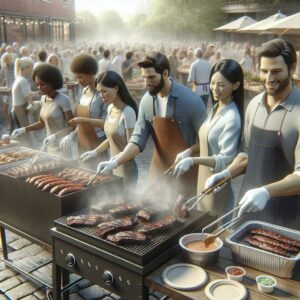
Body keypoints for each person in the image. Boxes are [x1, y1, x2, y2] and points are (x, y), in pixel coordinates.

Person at [206, 39, 300, 230]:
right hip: (247, 206)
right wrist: (226, 174)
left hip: (286, 215)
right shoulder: (254, 105)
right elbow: (247, 153)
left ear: (292, 68)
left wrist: (265, 192)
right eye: (264, 71)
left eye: (276, 71)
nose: (269, 78)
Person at [96, 52, 207, 198]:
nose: (146, 83)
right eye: (144, 77)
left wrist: (189, 152)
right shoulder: (146, 101)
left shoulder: (191, 101)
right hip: (159, 171)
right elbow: (137, 138)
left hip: (186, 171)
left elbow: (206, 140)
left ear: (165, 73)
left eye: (151, 77)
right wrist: (116, 162)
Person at [173, 59, 243, 217]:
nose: (215, 89)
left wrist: (193, 161)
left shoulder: (232, 118)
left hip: (216, 184)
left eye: (221, 85)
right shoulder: (217, 107)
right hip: (202, 180)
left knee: (212, 232)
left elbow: (225, 160)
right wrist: (189, 152)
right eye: (212, 83)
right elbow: (206, 138)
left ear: (236, 86)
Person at [81, 71, 138, 187]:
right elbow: (111, 139)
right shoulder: (110, 108)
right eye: (99, 92)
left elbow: (133, 149)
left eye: (104, 91)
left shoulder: (128, 113)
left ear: (116, 88)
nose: (101, 95)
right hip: (112, 166)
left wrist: (115, 162)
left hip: (126, 169)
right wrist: (95, 152)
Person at [11, 63, 73, 154]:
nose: (39, 88)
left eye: (42, 84)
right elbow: (42, 123)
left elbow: (71, 127)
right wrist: (24, 129)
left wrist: (54, 136)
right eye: (37, 85)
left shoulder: (63, 100)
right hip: (49, 146)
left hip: (63, 146)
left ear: (52, 83)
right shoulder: (43, 99)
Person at [60, 54, 107, 160]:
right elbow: (80, 122)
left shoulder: (102, 93)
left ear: (90, 74)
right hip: (82, 140)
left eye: (80, 77)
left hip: (98, 141)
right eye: (76, 77)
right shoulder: (84, 91)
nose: (78, 80)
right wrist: (72, 134)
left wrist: (83, 120)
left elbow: (107, 123)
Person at [11, 57, 35, 146]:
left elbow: (27, 93)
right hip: (19, 109)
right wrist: (32, 104)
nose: (31, 69)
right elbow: (28, 97)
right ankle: (29, 152)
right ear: (25, 67)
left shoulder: (19, 78)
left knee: (23, 132)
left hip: (16, 109)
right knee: (25, 132)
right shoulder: (22, 80)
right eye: (30, 67)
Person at [0, 52, 15, 133]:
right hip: (6, 91)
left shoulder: (13, 66)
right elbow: (1, 77)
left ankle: (13, 125)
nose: (7, 60)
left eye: (8, 58)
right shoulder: (4, 67)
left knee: (12, 110)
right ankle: (10, 123)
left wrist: (12, 88)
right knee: (4, 110)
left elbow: (16, 78)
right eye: (6, 59)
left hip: (13, 92)